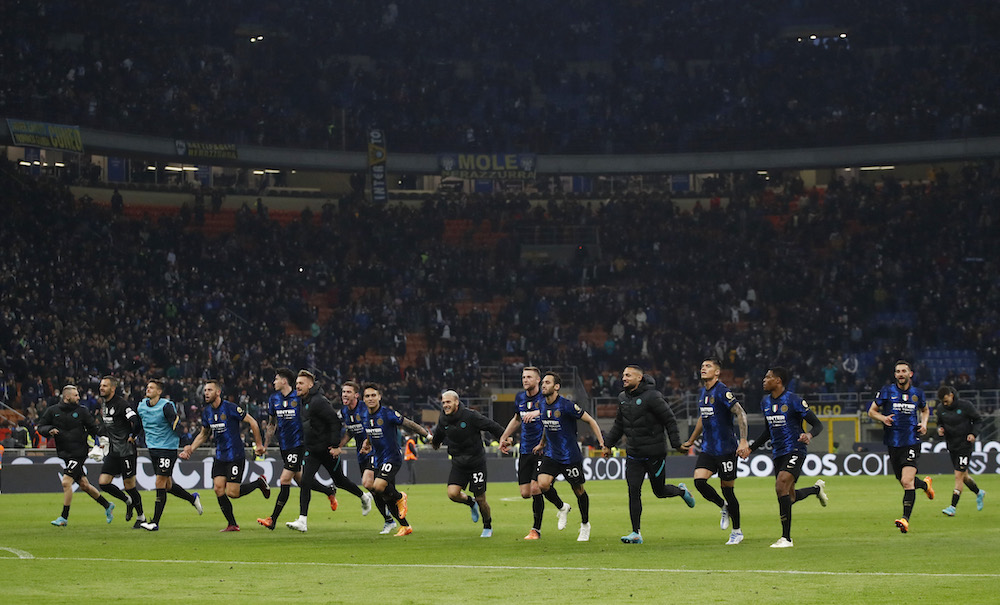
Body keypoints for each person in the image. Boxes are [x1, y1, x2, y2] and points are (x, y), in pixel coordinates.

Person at [602, 364, 694, 545]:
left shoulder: (653, 397)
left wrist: (676, 444)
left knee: (659, 492)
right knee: (633, 491)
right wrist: (608, 445)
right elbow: (619, 425)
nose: (624, 378)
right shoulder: (622, 398)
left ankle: (681, 491)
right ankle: (636, 533)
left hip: (654, 454)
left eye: (628, 375)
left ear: (639, 378)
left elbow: (670, 419)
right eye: (623, 375)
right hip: (634, 455)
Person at [748, 367, 828, 548]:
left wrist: (809, 435)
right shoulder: (765, 402)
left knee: (780, 485)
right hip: (778, 453)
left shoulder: (794, 400)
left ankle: (786, 538)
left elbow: (817, 424)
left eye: (768, 377)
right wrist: (751, 448)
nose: (764, 380)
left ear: (778, 381)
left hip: (795, 450)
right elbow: (767, 431)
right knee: (789, 496)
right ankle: (816, 490)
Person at [284, 370, 370, 533]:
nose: (297, 386)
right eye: (296, 383)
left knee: (340, 481)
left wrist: (334, 445)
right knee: (305, 481)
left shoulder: (319, 401)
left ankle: (364, 497)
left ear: (310, 385)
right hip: (312, 450)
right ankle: (302, 520)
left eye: (301, 383)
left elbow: (335, 423)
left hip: (326, 450)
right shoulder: (304, 400)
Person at [256, 368, 341, 530]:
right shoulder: (274, 399)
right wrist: (265, 446)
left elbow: (312, 416)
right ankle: (328, 490)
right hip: (284, 445)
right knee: (300, 480)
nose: (273, 382)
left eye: (276, 379)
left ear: (284, 381)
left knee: (284, 479)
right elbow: (272, 423)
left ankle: (273, 519)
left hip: (299, 444)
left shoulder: (300, 397)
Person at [179, 379, 269, 531]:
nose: (206, 393)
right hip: (220, 455)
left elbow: (253, 422)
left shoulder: (230, 408)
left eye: (209, 390)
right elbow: (204, 433)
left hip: (235, 455)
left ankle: (259, 483)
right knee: (218, 489)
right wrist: (190, 449)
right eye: (205, 390)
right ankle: (232, 524)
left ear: (218, 392)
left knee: (232, 493)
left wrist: (259, 445)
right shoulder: (207, 411)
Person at [680, 358, 750, 545]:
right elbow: (703, 419)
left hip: (726, 449)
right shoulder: (703, 392)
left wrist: (743, 441)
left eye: (708, 366)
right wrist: (691, 441)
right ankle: (723, 507)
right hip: (709, 449)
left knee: (728, 490)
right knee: (699, 481)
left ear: (717, 372)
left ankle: (737, 531)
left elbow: (740, 412)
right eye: (702, 366)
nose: (703, 368)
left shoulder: (722, 391)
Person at [499, 366, 570, 540]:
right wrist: (504, 436)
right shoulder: (520, 397)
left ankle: (535, 530)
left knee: (536, 488)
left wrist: (538, 412)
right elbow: (517, 419)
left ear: (538, 380)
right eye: (523, 377)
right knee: (525, 493)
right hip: (525, 449)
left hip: (544, 448)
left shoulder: (545, 397)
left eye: (529, 377)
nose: (525, 380)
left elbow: (556, 410)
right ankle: (562, 506)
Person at [535, 372, 606, 542]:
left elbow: (591, 421)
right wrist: (542, 443)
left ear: (556, 387)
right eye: (542, 382)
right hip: (551, 454)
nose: (543, 385)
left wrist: (602, 443)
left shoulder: (567, 406)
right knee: (542, 485)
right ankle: (562, 507)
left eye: (547, 382)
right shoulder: (542, 405)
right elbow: (547, 425)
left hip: (570, 456)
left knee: (578, 490)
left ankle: (585, 524)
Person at [867, 360, 934, 533]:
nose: (901, 374)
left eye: (904, 371)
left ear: (910, 374)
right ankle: (925, 485)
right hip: (893, 443)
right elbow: (872, 411)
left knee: (906, 481)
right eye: (898, 371)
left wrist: (924, 424)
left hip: (912, 441)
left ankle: (905, 519)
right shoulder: (887, 391)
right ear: (895, 374)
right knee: (904, 481)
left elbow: (925, 410)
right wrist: (883, 419)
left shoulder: (917, 393)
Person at [359, 383, 430, 537]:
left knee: (378, 487)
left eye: (373, 395)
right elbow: (371, 432)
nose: (370, 398)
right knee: (384, 494)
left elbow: (409, 424)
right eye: (367, 396)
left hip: (392, 458)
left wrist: (428, 436)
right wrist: (367, 443)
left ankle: (400, 496)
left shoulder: (388, 413)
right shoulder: (364, 415)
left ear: (379, 397)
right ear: (363, 399)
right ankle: (405, 526)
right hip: (377, 459)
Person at [37, 385, 116, 526]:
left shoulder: (82, 411)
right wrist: (49, 429)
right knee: (84, 485)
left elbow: (93, 428)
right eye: (76, 395)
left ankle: (64, 517)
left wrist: (103, 439)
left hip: (78, 453)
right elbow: (40, 427)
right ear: (67, 397)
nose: (79, 397)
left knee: (66, 482)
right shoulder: (52, 411)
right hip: (65, 453)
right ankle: (107, 505)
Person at [431, 390, 506, 537]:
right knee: (453, 494)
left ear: (456, 402)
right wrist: (435, 443)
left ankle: (487, 525)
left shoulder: (471, 416)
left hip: (476, 462)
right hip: (458, 463)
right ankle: (470, 503)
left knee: (481, 498)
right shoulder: (443, 419)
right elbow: (439, 434)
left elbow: (491, 425)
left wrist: (505, 437)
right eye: (444, 402)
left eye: (448, 402)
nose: (445, 405)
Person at [135, 379, 203, 530]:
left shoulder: (166, 406)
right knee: (167, 485)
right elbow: (139, 424)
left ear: (159, 391)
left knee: (159, 482)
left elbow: (176, 424)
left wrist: (186, 443)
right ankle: (192, 499)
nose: (148, 389)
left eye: (152, 388)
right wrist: (132, 435)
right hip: (153, 449)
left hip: (168, 448)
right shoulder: (141, 406)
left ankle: (154, 522)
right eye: (147, 387)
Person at [338, 380, 394, 533]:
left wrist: (367, 442)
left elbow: (373, 425)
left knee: (368, 482)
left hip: (374, 451)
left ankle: (396, 499)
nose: (345, 394)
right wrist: (339, 447)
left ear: (356, 395)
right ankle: (389, 518)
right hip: (361, 453)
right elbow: (350, 431)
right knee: (373, 488)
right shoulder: (344, 411)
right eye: (343, 392)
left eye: (348, 392)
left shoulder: (365, 409)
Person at [96, 376, 146, 528]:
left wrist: (133, 435)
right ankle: (127, 501)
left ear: (112, 388)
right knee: (103, 483)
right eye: (101, 385)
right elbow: (108, 427)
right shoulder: (104, 405)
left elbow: (136, 421)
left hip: (126, 451)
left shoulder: (121, 404)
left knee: (129, 485)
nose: (101, 388)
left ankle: (141, 517)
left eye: (104, 386)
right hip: (113, 451)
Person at [936, 386, 985, 516]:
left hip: (965, 445)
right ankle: (979, 493)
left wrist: (973, 434)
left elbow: (978, 420)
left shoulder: (965, 405)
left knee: (958, 476)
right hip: (952, 445)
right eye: (942, 402)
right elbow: (939, 423)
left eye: (946, 401)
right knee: (964, 476)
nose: (944, 404)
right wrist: (940, 429)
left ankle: (952, 507)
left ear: (951, 395)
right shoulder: (941, 409)